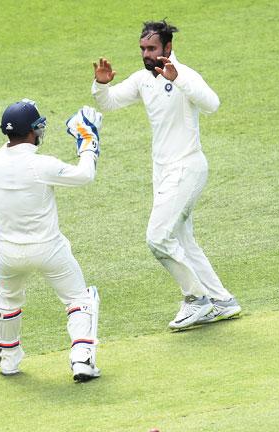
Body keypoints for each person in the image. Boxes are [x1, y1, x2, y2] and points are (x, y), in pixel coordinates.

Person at [91, 20, 241, 330]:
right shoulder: (142, 80)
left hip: (187, 167)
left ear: (168, 48)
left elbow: (213, 104)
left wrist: (180, 79)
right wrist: (102, 84)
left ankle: (197, 300)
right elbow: (109, 102)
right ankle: (222, 301)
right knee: (184, 242)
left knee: (158, 238)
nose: (146, 54)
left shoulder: (185, 74)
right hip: (163, 173)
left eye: (152, 48)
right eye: (143, 49)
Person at [0, 99, 104, 381]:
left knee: (6, 299)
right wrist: (87, 139)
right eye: (38, 128)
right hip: (48, 249)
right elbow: (85, 175)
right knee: (79, 298)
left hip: (8, 254)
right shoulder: (42, 165)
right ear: (31, 132)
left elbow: (14, 156)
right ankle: (81, 359)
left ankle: (8, 358)